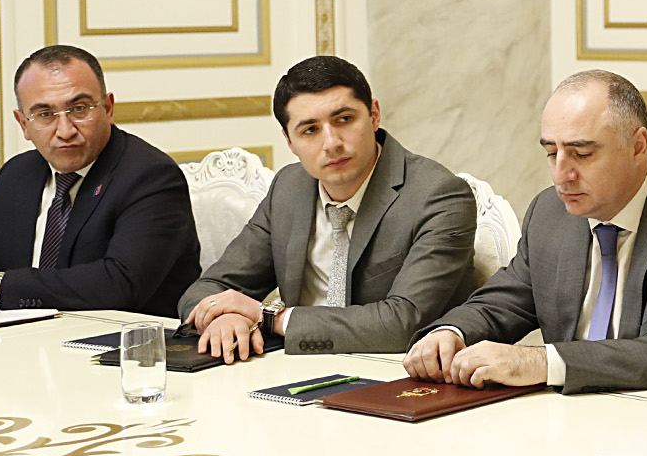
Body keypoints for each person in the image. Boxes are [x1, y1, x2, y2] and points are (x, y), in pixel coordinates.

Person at [403, 70, 647, 393]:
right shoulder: (550, 212)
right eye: (551, 152)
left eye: (582, 154)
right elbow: (504, 302)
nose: (561, 175)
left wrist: (540, 362)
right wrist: (451, 332)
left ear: (637, 146)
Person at [178, 56, 477, 359]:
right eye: (310, 130)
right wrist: (223, 316)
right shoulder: (289, 188)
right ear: (290, 142)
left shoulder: (438, 195)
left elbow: (403, 323)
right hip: (294, 367)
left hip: (396, 371)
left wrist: (270, 318)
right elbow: (209, 288)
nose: (331, 143)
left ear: (374, 115)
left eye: (344, 119)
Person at [0, 46, 198, 316]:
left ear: (108, 108)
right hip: (22, 334)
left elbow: (121, 283)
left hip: (118, 337)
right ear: (23, 124)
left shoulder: (151, 176)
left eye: (79, 109)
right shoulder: (18, 174)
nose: (65, 131)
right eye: (45, 114)